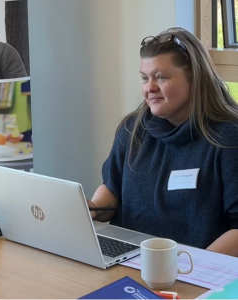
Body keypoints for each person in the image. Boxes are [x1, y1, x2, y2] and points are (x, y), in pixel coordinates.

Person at [88, 27, 238, 257]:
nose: (149, 88)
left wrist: (191, 268)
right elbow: (112, 188)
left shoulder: (228, 139)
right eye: (144, 78)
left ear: (195, 79)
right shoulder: (132, 130)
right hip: (130, 261)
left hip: (195, 274)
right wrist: (93, 209)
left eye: (161, 77)